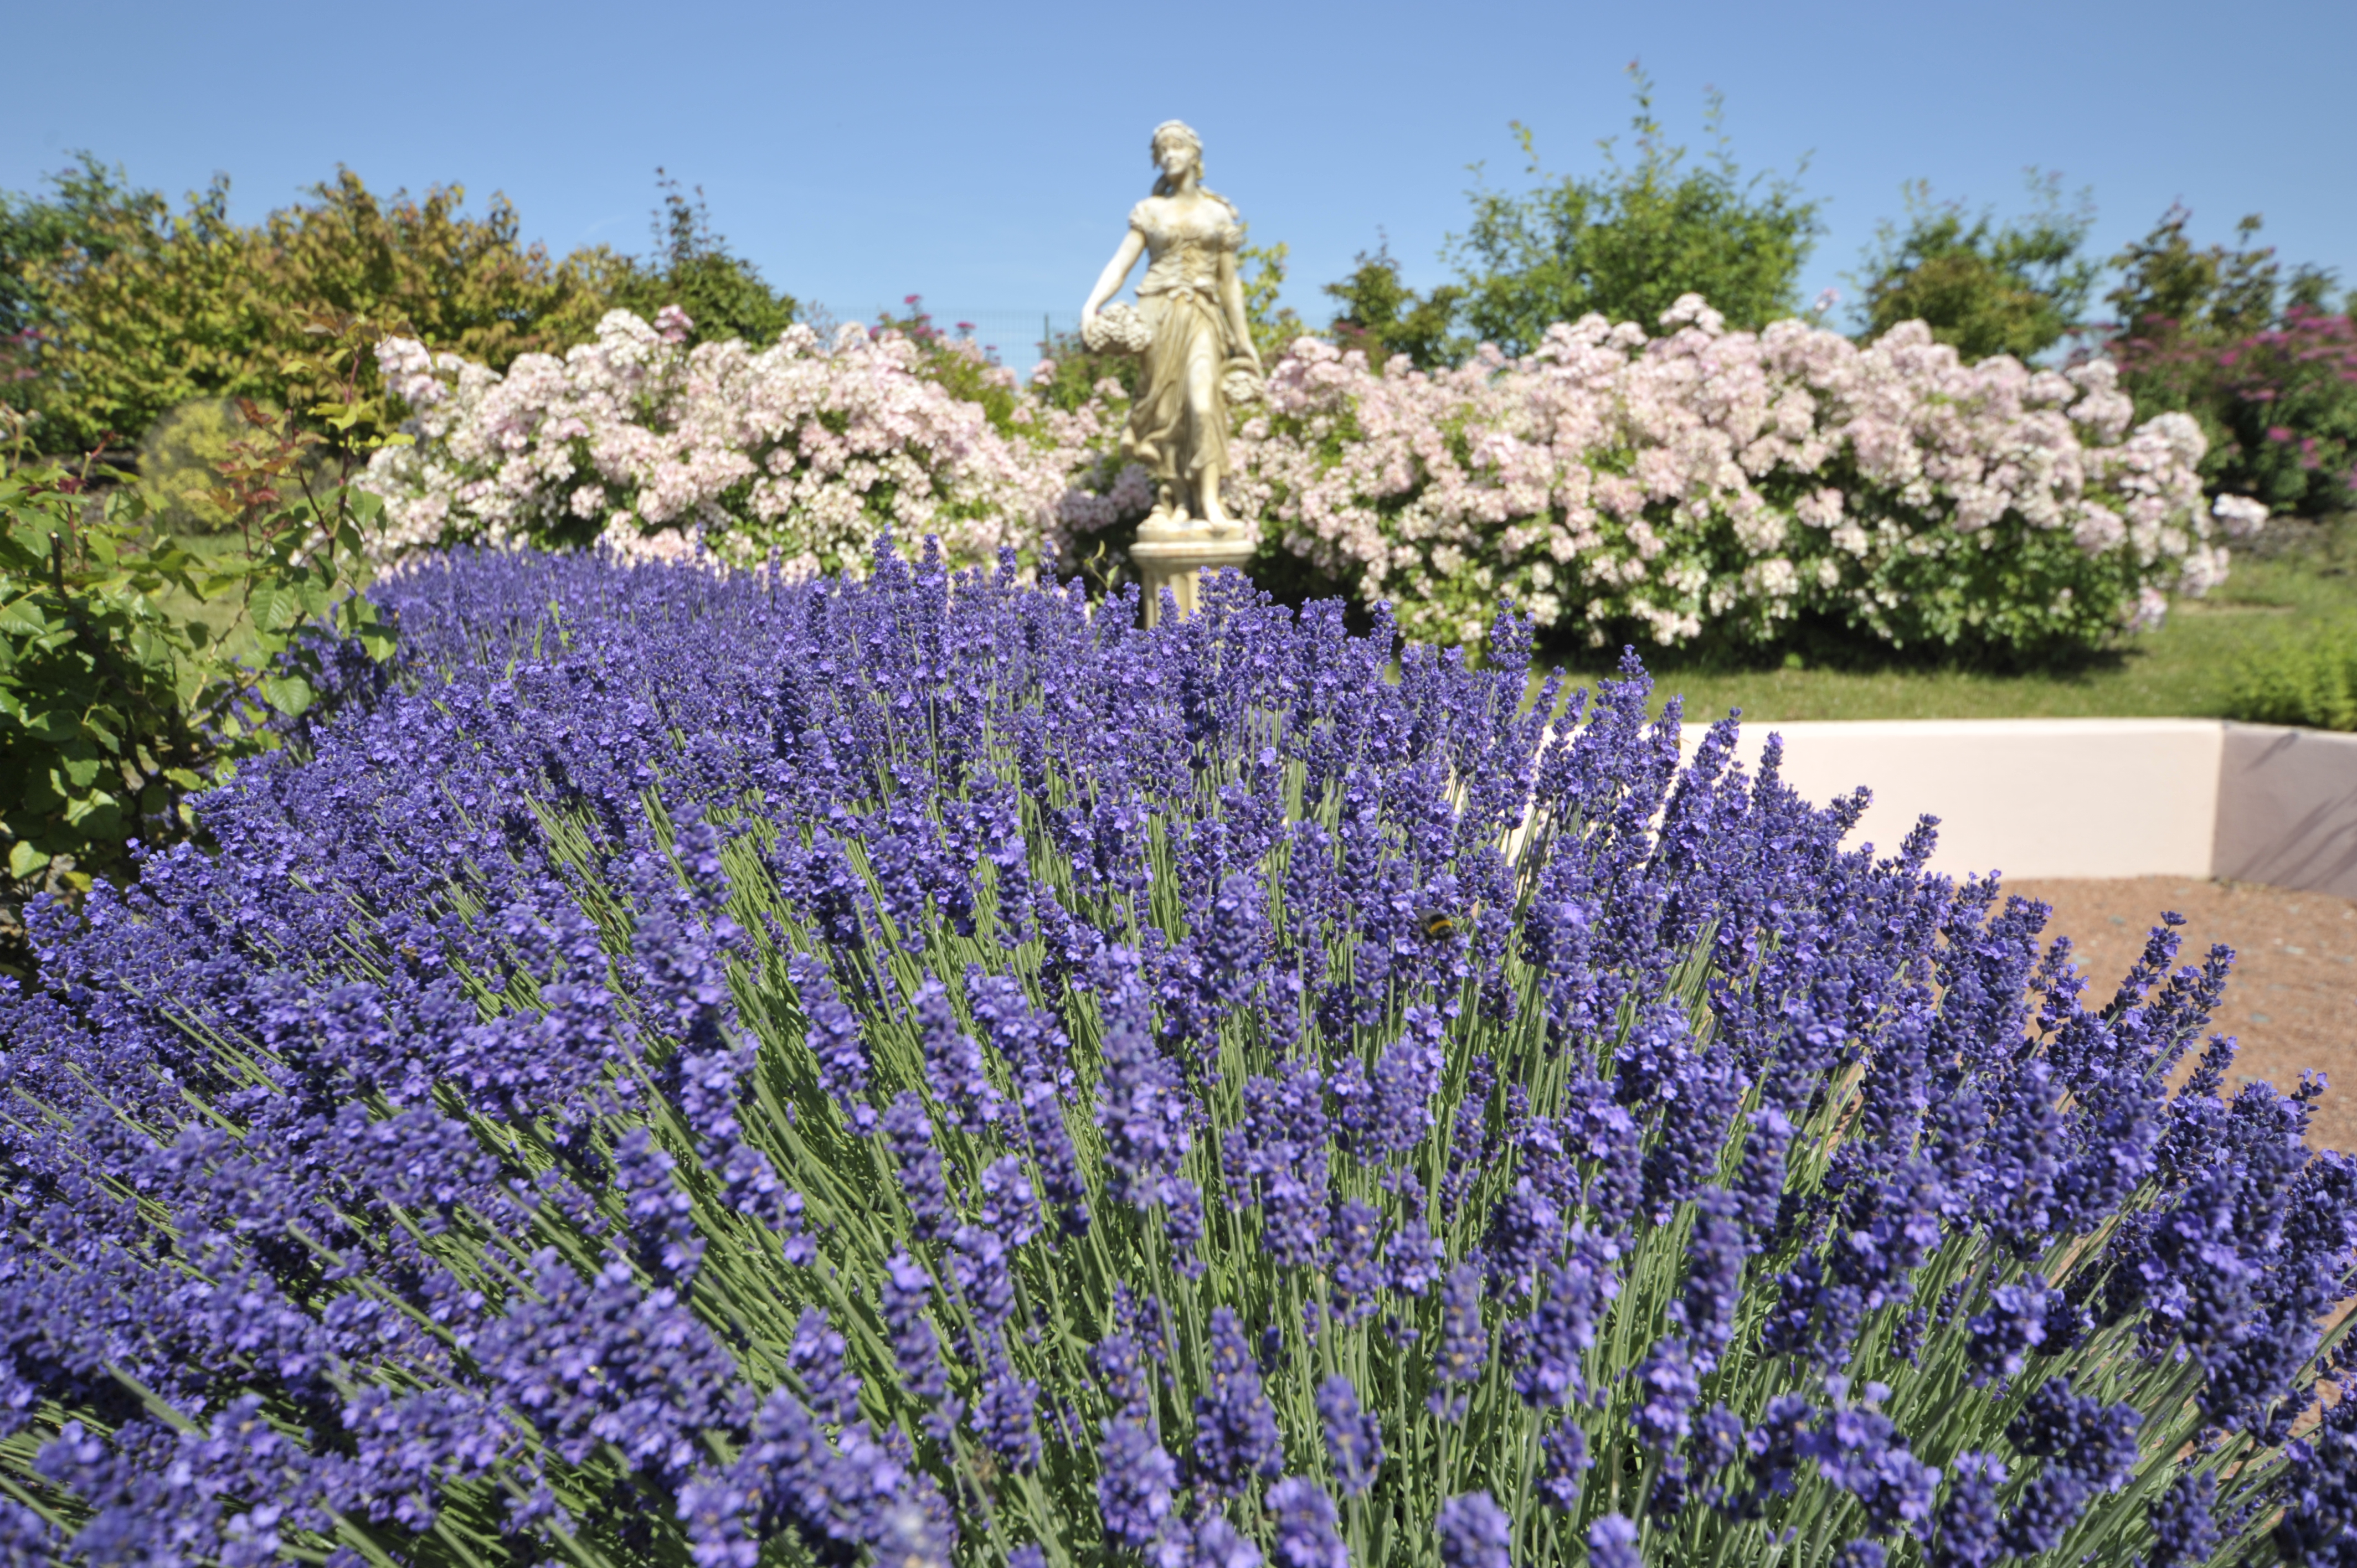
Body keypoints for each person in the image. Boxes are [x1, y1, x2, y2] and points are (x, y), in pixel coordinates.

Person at [1080, 121, 1262, 535]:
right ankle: (1177, 499)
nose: (1169, 155)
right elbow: (1121, 263)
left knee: (1203, 403)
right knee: (1165, 413)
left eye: (1177, 146)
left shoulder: (1218, 214)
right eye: (1162, 150)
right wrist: (1092, 305)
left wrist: (1244, 341)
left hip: (1202, 313)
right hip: (1157, 314)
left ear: (1196, 155)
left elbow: (1229, 282)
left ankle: (1212, 499)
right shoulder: (1150, 211)